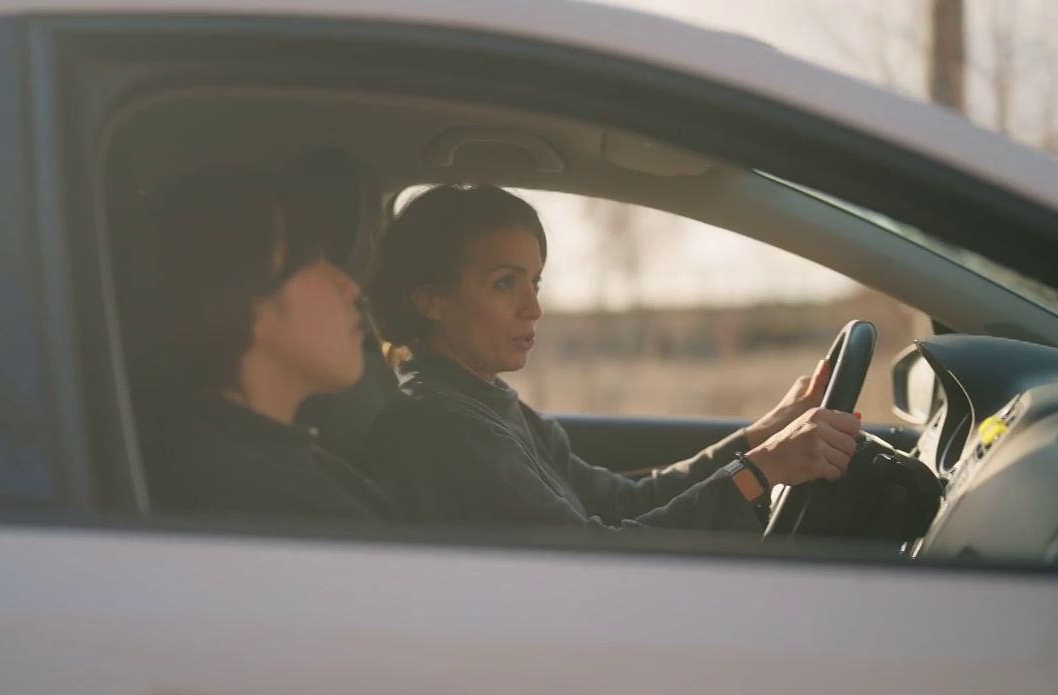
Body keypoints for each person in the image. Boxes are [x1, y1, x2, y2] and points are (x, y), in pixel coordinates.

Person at [363, 184, 861, 531]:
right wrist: (760, 471)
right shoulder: (442, 425)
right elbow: (594, 562)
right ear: (429, 299)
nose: (533, 307)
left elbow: (626, 502)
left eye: (533, 283)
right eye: (503, 283)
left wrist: (763, 435)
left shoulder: (484, 401)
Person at [145, 166, 398, 521]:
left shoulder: (273, 456)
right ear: (247, 304)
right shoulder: (255, 501)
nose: (349, 286)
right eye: (314, 261)